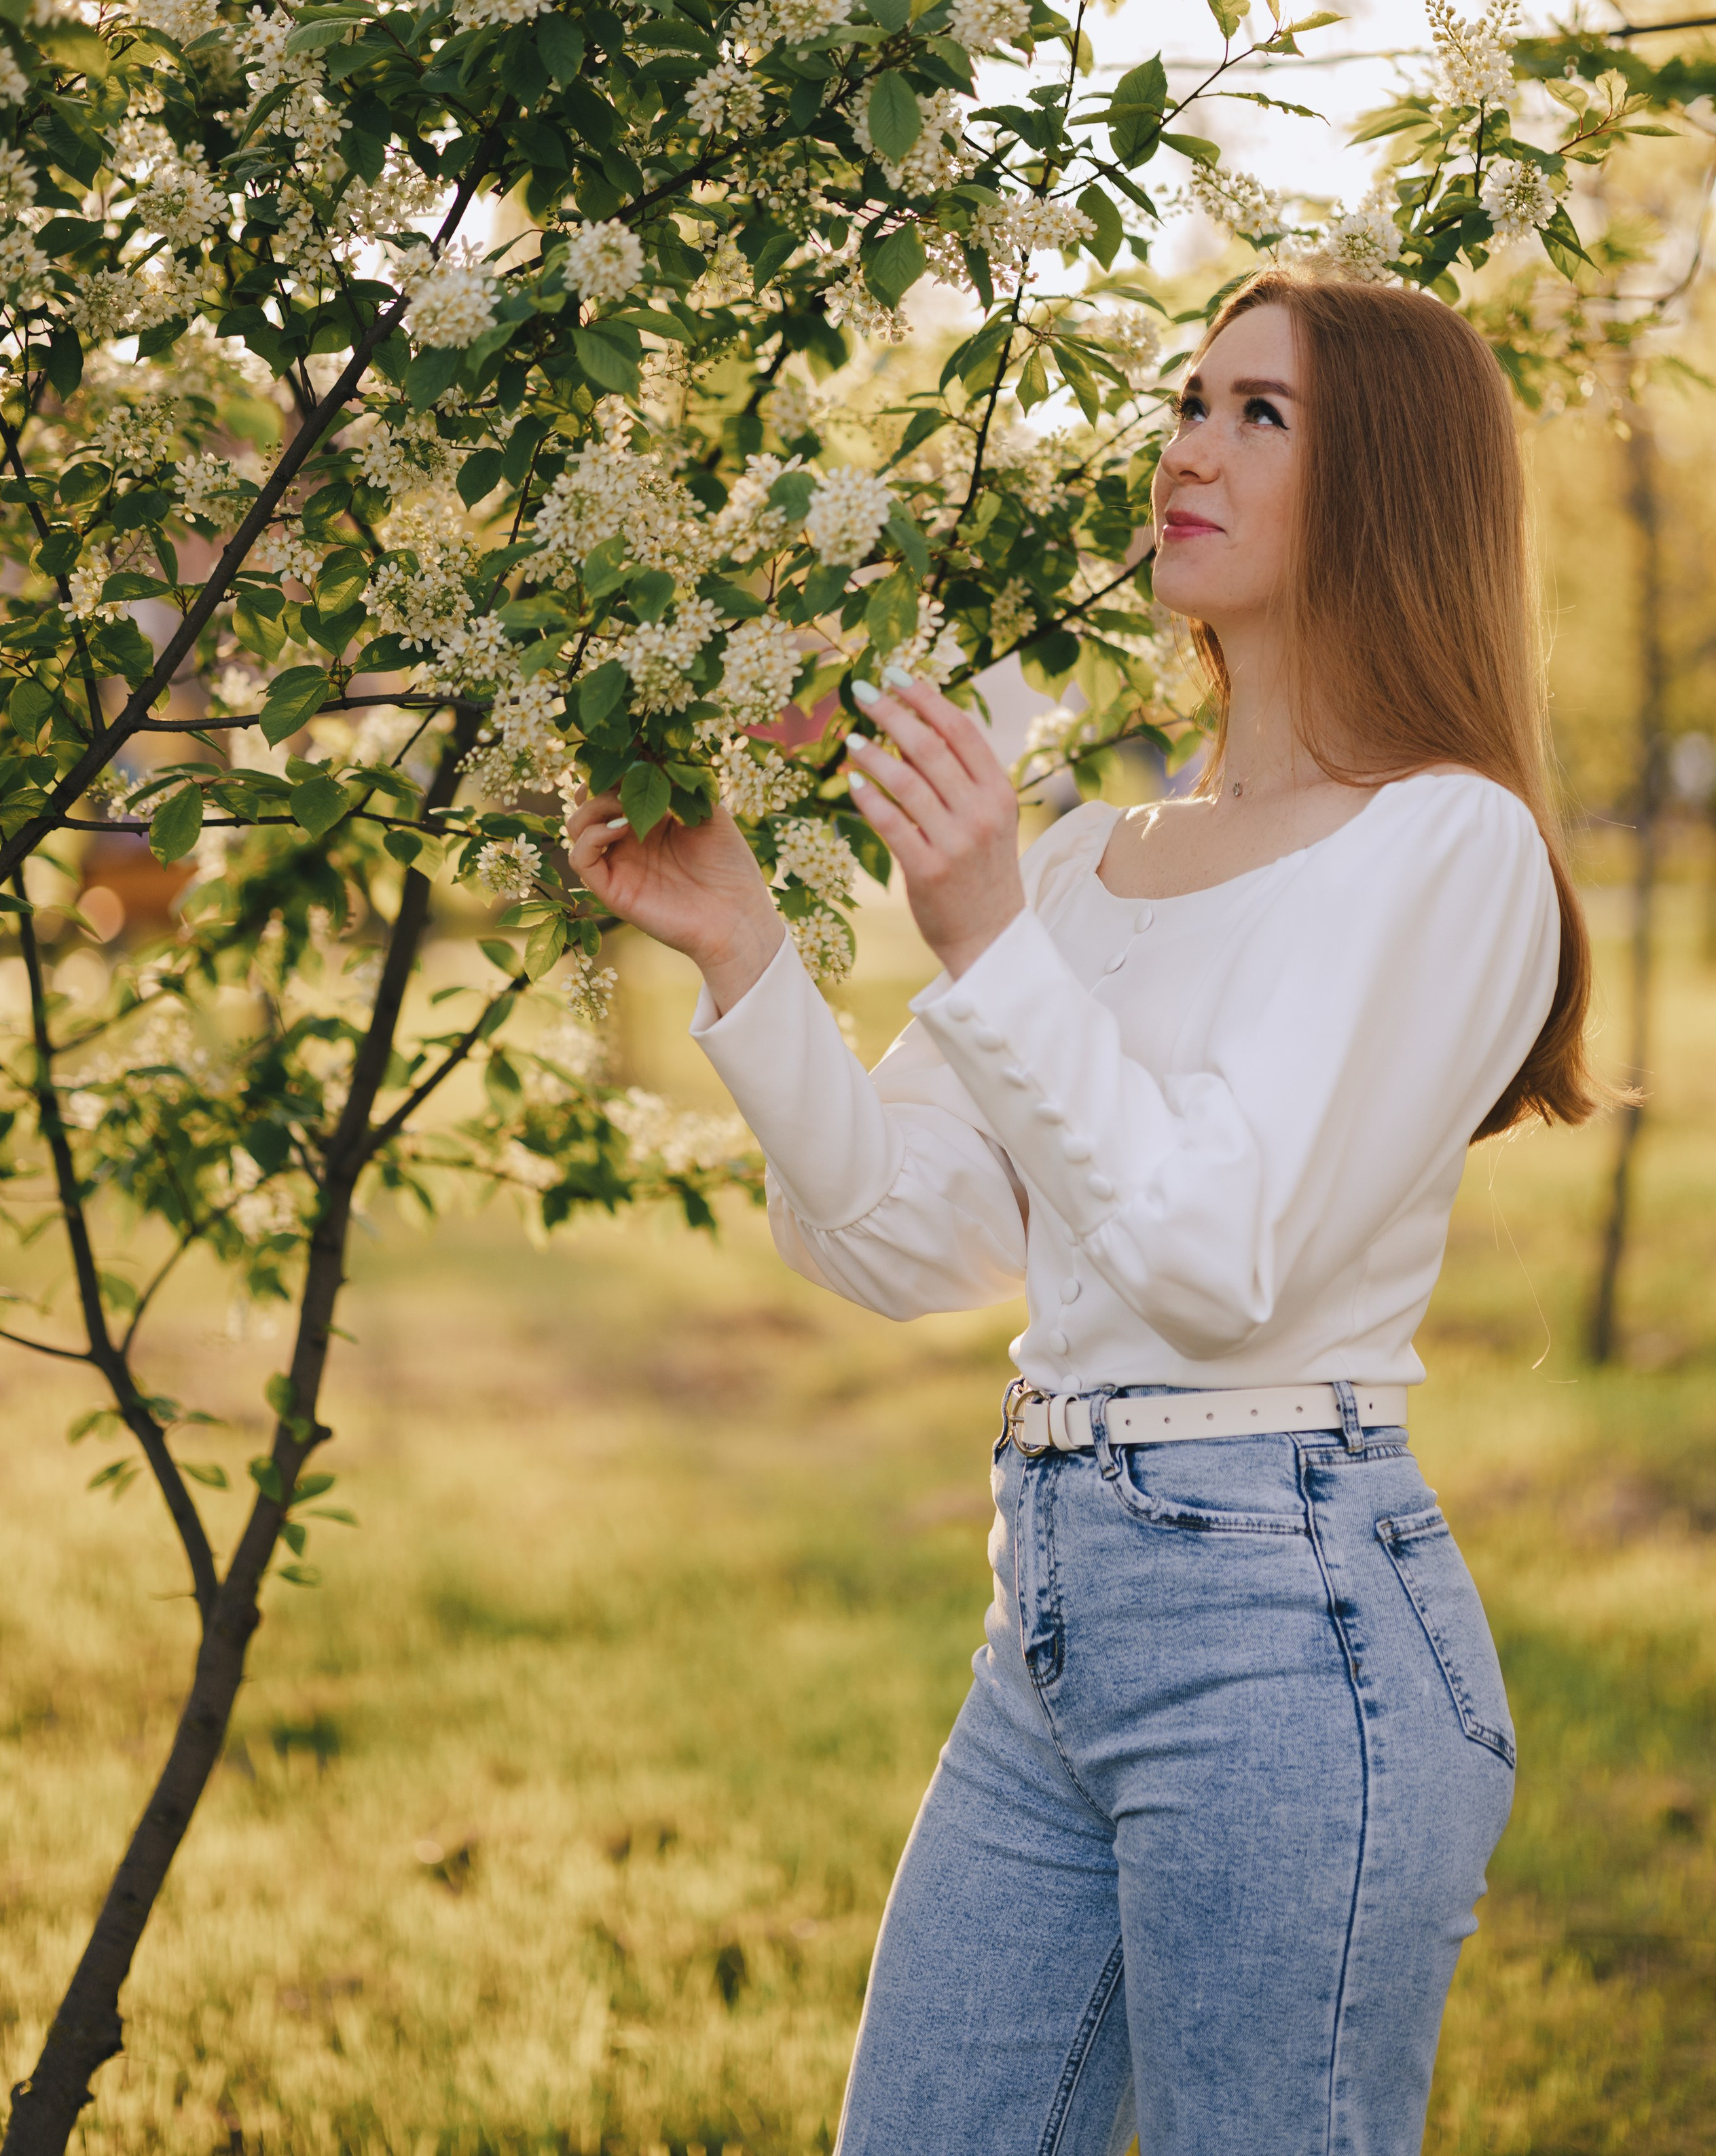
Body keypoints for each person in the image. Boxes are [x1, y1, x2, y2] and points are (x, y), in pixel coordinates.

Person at [566, 267, 1598, 2156]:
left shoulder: (1450, 846)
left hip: (1294, 1632)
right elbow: (891, 1237)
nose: (1188, 446)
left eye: (1260, 415)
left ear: (1394, 485)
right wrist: (744, 954)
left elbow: (1219, 1261)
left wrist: (977, 934)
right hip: (1050, 1604)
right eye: (1189, 398)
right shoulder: (1088, 861)